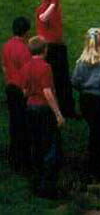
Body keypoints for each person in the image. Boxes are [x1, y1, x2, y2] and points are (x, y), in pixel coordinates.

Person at [20, 35, 64, 198]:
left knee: (36, 144)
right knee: (51, 146)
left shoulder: (26, 67)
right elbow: (47, 92)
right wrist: (58, 114)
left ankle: (37, 182)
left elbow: (24, 91)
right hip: (44, 109)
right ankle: (49, 185)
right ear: (44, 50)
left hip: (30, 108)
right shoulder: (45, 67)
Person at [71, 28, 100, 180]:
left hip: (86, 100)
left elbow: (75, 81)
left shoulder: (81, 62)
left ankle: (91, 165)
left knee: (93, 131)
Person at [35, 0, 75, 117]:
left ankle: (60, 108)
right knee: (60, 79)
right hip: (52, 48)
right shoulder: (45, 10)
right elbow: (44, 17)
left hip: (51, 47)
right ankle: (63, 109)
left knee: (57, 80)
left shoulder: (50, 8)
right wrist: (52, 3)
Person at [2, 15, 31, 170]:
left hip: (10, 87)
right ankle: (23, 160)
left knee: (14, 123)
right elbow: (27, 74)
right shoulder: (25, 50)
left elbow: (5, 67)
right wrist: (27, 91)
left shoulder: (6, 46)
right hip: (21, 90)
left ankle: (13, 155)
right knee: (23, 125)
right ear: (26, 32)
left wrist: (8, 80)